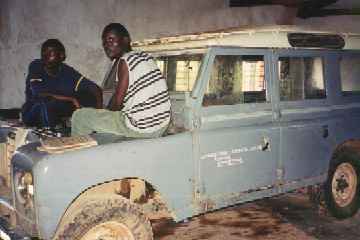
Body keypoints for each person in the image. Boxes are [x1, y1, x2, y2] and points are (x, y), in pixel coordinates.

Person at [71, 23, 171, 138]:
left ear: (125, 40)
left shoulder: (125, 61)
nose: (107, 46)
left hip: (141, 127)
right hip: (161, 124)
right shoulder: (144, 56)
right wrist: (103, 112)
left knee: (80, 116)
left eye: (111, 40)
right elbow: (119, 94)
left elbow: (117, 104)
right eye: (104, 43)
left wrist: (101, 114)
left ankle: (78, 154)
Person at [21, 39, 103, 128]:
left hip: (55, 112)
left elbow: (94, 88)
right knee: (44, 103)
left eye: (50, 53)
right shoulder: (36, 65)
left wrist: (99, 112)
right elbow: (39, 93)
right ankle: (50, 135)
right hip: (33, 112)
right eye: (43, 53)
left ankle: (65, 125)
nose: (45, 56)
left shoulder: (67, 71)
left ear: (61, 55)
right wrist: (72, 99)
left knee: (87, 96)